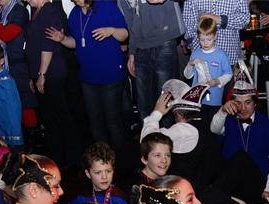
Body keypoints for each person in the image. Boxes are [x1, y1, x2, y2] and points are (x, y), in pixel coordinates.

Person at [46, 0, 129, 152]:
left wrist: (111, 31)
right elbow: (76, 42)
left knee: (112, 119)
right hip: (87, 76)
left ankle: (120, 158)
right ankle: (101, 157)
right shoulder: (75, 14)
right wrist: (62, 39)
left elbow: (124, 34)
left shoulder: (106, 5)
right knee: (95, 120)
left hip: (110, 73)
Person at [210, 62, 269, 204]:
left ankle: (213, 197)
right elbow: (214, 129)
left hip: (255, 183)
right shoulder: (229, 119)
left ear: (255, 103)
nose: (243, 108)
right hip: (231, 182)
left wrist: (268, 189)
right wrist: (222, 111)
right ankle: (213, 196)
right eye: (238, 103)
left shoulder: (267, 125)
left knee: (241, 157)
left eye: (248, 102)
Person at [24, 0, 82, 170]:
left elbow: (48, 46)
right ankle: (58, 157)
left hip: (52, 73)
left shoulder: (49, 11)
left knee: (61, 115)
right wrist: (33, 75)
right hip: (40, 72)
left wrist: (41, 75)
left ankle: (73, 157)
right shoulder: (35, 11)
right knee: (49, 117)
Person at [118, 0, 184, 124]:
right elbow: (130, 23)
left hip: (165, 41)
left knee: (165, 99)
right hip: (140, 48)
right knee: (143, 103)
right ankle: (148, 135)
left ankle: (168, 135)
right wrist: (132, 53)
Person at [0, 0, 36, 119]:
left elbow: (5, 35)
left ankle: (30, 130)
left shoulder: (19, 11)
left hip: (18, 64)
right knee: (6, 107)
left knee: (26, 104)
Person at [183, 16, 232, 125]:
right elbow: (187, 75)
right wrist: (190, 64)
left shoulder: (221, 55)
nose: (205, 43)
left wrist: (216, 81)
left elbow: (228, 74)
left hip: (215, 99)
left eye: (209, 39)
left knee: (212, 126)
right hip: (197, 99)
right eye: (202, 40)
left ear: (215, 36)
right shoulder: (196, 53)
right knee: (198, 126)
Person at [183, 0, 249, 67]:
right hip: (199, 52)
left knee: (227, 73)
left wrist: (220, 19)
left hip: (229, 52)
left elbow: (245, 19)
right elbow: (188, 21)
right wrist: (192, 45)